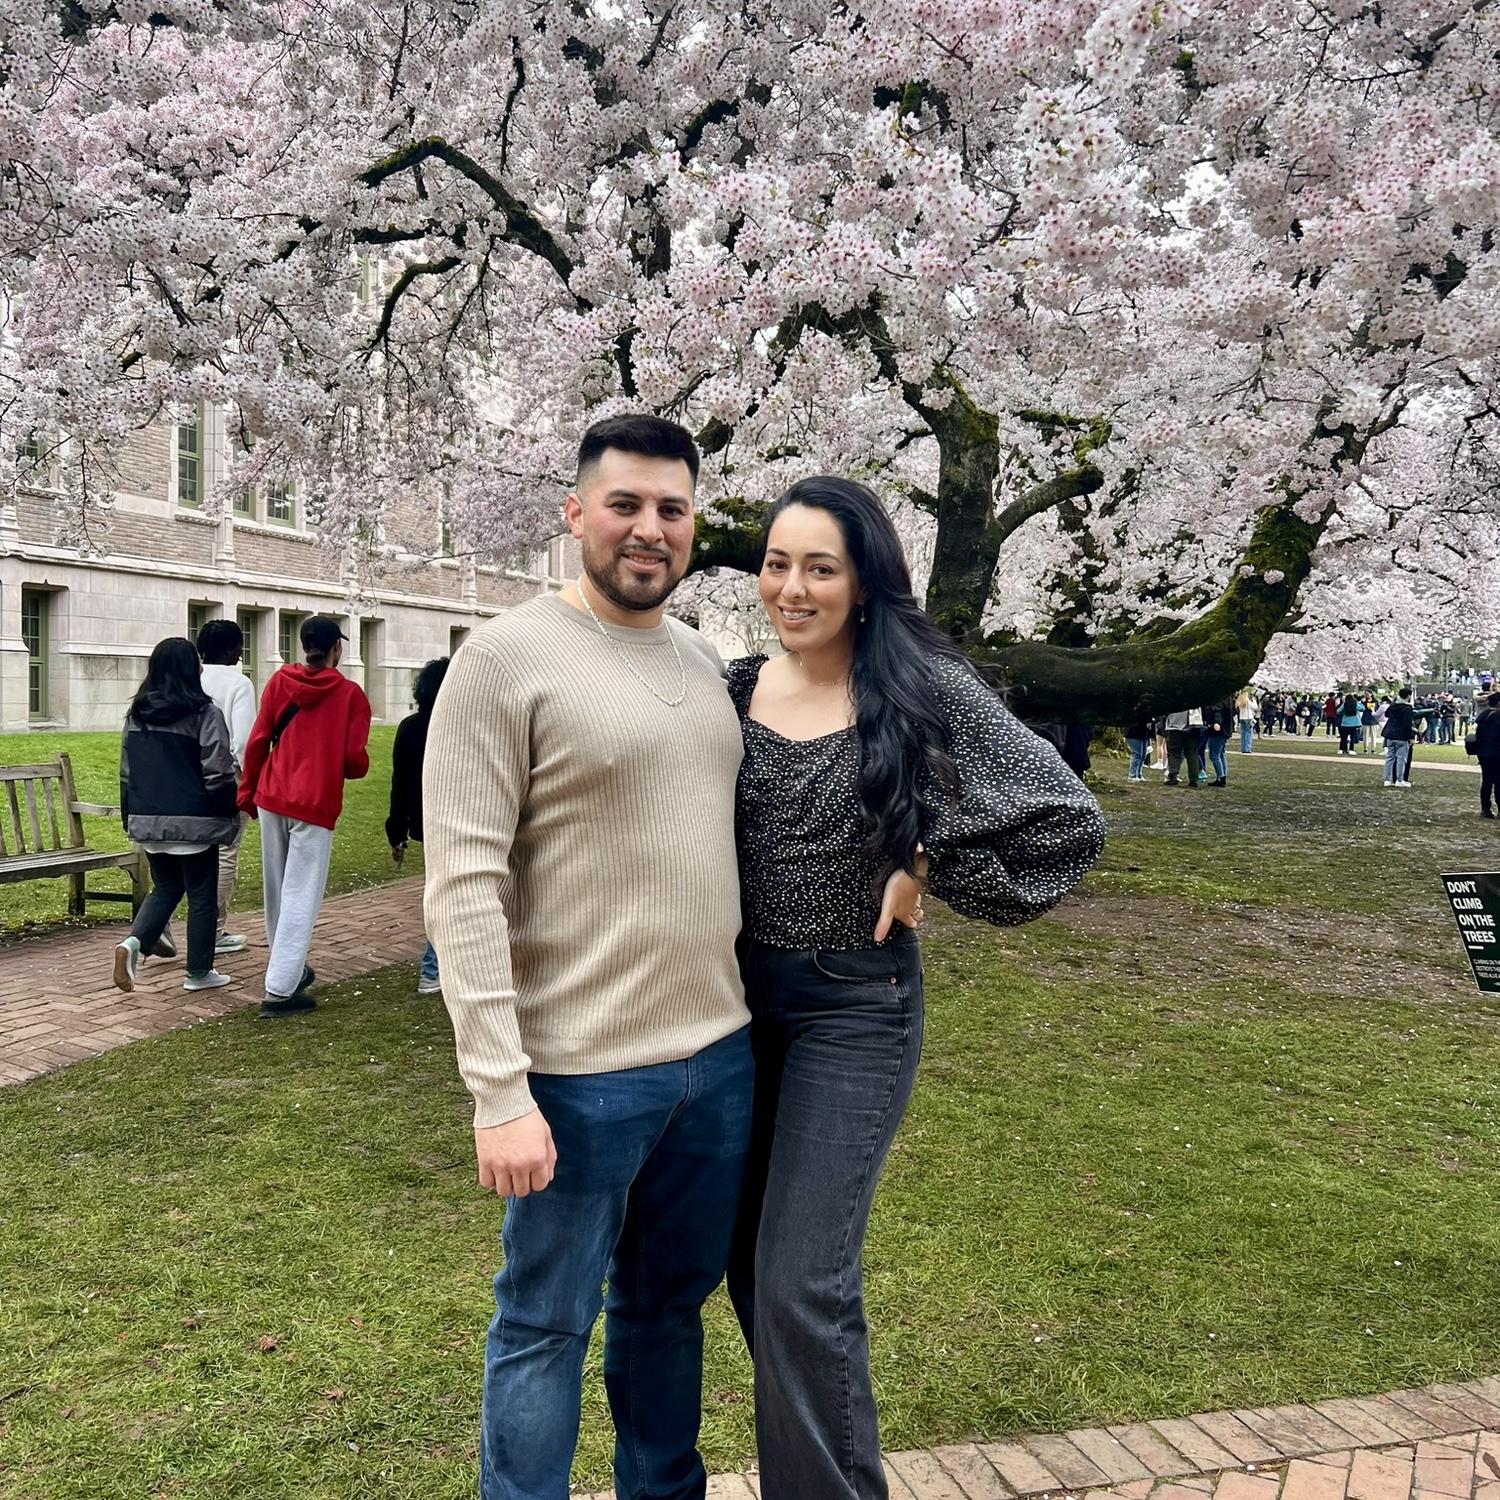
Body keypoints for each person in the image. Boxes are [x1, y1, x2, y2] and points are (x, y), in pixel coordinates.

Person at [723, 477, 1104, 1500]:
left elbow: (1065, 818)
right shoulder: (732, 688)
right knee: (750, 1268)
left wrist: (931, 859)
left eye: (820, 568)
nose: (791, 588)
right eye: (776, 564)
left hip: (854, 1008)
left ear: (864, 582)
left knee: (801, 1279)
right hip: (730, 1007)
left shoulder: (918, 687)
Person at [422, 414, 753, 1500]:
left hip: (717, 1061)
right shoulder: (503, 658)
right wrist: (498, 1091)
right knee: (544, 1325)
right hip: (577, 1077)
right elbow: (463, 885)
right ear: (575, 514)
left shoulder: (702, 659)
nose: (649, 528)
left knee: (667, 1313)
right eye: (625, 505)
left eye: (671, 508)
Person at [238, 615, 371, 1018]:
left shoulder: (279, 682)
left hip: (273, 793)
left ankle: (287, 971)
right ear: (336, 649)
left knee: (278, 889)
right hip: (314, 802)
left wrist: (247, 791)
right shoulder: (350, 695)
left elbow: (259, 739)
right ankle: (280, 987)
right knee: (301, 893)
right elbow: (355, 762)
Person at [112, 638, 240, 993]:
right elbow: (218, 771)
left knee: (166, 887)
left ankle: (133, 943)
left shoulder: (136, 715)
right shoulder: (205, 713)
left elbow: (127, 772)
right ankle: (199, 972)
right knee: (202, 896)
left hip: (149, 819)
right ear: (191, 669)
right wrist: (227, 812)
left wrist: (131, 816)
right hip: (195, 821)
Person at [386, 656, 449, 995]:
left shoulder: (410, 728)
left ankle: (435, 968)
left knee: (441, 891)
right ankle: (433, 968)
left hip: (427, 822)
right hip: (456, 820)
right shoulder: (455, 727)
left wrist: (397, 832)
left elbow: (400, 784)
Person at [196, 618, 257, 954]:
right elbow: (244, 740)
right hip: (226, 777)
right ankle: (214, 930)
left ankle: (165, 923)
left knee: (190, 851)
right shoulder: (239, 683)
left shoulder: (190, 677)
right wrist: (250, 780)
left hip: (189, 775)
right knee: (226, 850)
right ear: (233, 649)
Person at [1383, 686, 1416, 787]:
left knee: (1389, 758)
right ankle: (1399, 779)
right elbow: (1407, 724)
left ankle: (1387, 780)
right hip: (1401, 736)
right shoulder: (1407, 708)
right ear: (1408, 696)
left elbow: (1386, 714)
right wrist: (1410, 737)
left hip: (1390, 734)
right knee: (1401, 759)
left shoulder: (1393, 706)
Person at [1163, 705, 1204, 785]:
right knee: (1192, 754)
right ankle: (1194, 779)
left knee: (1174, 753)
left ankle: (1173, 775)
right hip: (1192, 728)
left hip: (1174, 728)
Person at [1476, 693, 1500, 818]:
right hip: (1497, 752)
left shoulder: (1483, 715)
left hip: (1483, 752)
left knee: (1486, 781)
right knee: (1498, 782)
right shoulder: (1498, 716)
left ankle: (1485, 809)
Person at [1203, 699, 1233, 786]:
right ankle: (1222, 776)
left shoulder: (1219, 700)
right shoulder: (1229, 700)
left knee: (1214, 754)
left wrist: (1217, 722)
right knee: (1221, 754)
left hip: (1218, 731)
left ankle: (1221, 776)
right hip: (1226, 729)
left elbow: (1218, 711)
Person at [1125, 714, 1151, 781]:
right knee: (1137, 754)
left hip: (1143, 733)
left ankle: (1138, 774)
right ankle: (1132, 775)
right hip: (1134, 734)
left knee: (1143, 755)